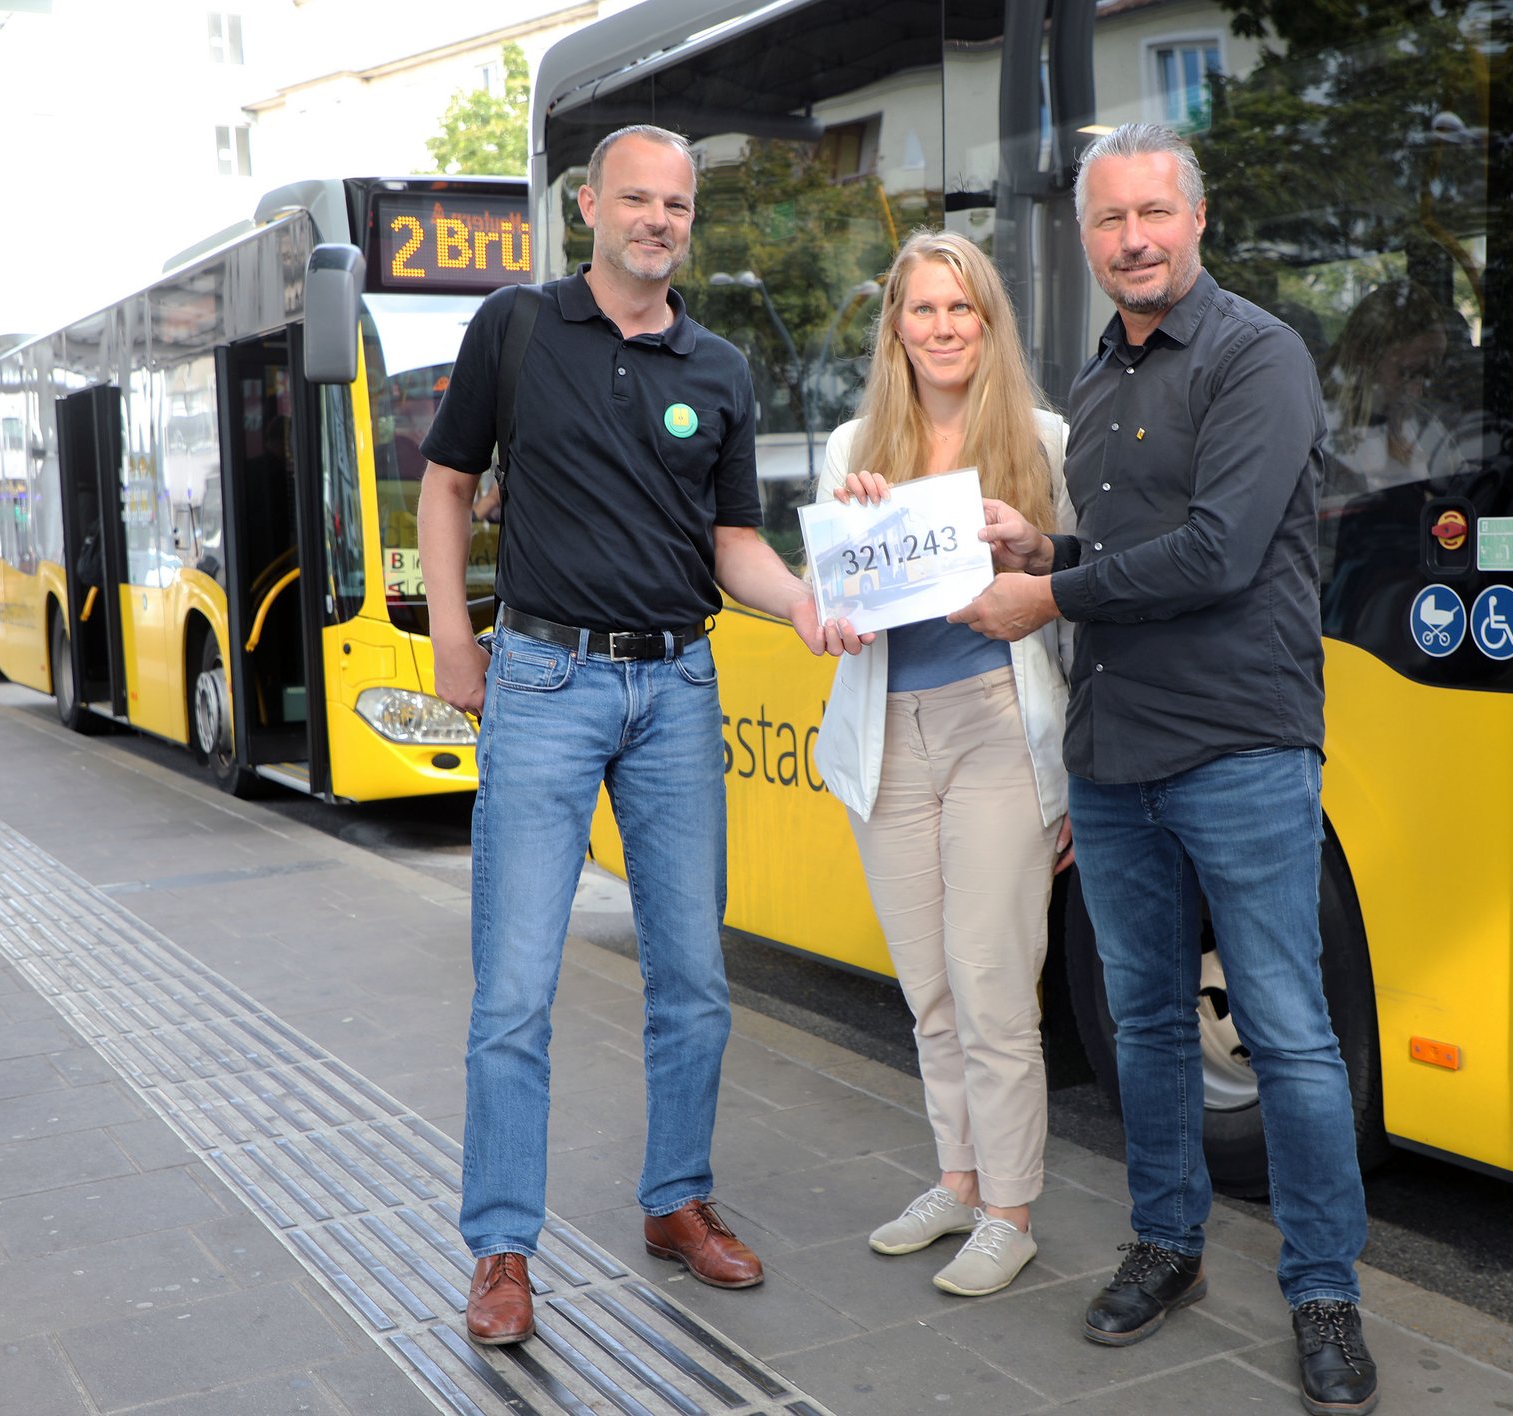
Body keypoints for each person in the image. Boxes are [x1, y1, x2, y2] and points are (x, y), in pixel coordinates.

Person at [948, 123, 1379, 1415]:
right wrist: (1046, 542)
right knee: (1143, 1023)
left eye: (1153, 214)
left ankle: (1324, 1294)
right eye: (1108, 222)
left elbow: (1216, 555)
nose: (1132, 239)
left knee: (1291, 1037)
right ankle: (1169, 1246)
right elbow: (1128, 540)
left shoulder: (1259, 356)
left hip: (1238, 749)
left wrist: (1051, 594)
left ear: (1197, 220)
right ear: (1086, 242)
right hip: (1116, 752)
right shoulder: (1101, 374)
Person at [416, 123, 866, 1348]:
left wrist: (807, 604)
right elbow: (448, 483)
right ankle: (502, 1247)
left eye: (675, 204)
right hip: (545, 680)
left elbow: (729, 547)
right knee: (513, 990)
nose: (657, 219)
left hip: (674, 689)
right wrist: (457, 638)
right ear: (588, 208)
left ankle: (676, 1201)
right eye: (636, 199)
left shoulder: (716, 366)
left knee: (696, 980)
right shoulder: (514, 329)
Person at [813, 231, 1072, 1297]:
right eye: (922, 310)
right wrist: (834, 601)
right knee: (926, 987)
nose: (941, 328)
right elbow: (827, 598)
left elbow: (1087, 583)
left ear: (988, 322)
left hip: (995, 726)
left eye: (960, 309)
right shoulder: (848, 448)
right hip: (888, 735)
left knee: (991, 981)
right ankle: (958, 1182)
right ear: (896, 328)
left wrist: (1031, 547)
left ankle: (1011, 1210)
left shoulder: (1044, 439)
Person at [1319, 279, 1453, 495]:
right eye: (1407, 373)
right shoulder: (1319, 430)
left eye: (1427, 375)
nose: (1417, 392)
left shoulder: (1424, 426)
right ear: (1365, 357)